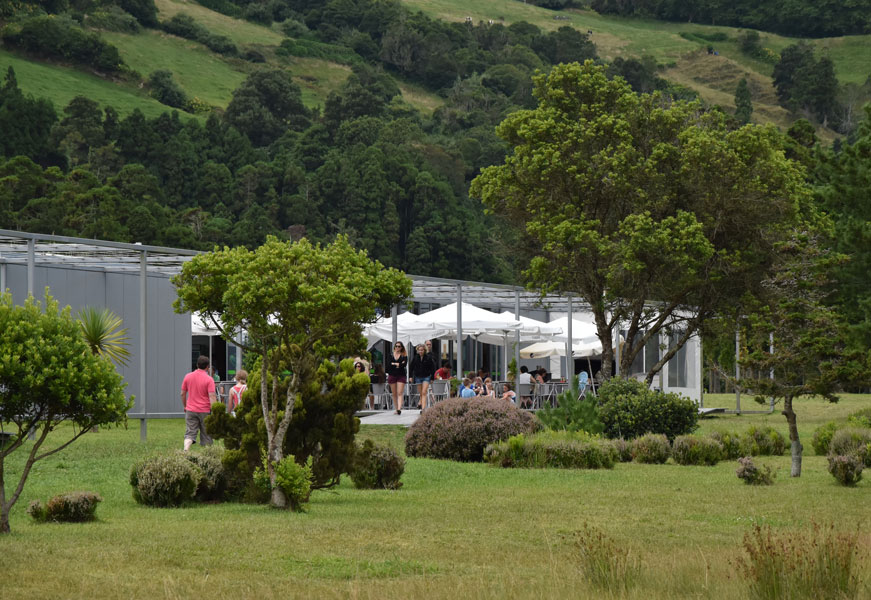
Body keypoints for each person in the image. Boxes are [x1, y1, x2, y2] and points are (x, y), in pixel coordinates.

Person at [181, 355, 217, 451]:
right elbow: (212, 396)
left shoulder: (188, 376)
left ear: (197, 364)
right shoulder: (209, 379)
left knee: (190, 433)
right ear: (207, 367)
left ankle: (186, 449)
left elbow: (182, 393)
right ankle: (207, 454)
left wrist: (185, 406)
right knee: (206, 434)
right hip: (205, 410)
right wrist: (215, 410)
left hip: (190, 409)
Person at [409, 343, 437, 411]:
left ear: (424, 350)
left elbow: (433, 368)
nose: (420, 351)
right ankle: (421, 403)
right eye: (419, 350)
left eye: (422, 350)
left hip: (426, 377)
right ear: (417, 350)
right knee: (421, 393)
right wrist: (410, 376)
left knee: (424, 392)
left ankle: (423, 409)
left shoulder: (428, 358)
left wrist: (432, 378)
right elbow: (411, 367)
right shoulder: (416, 358)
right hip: (418, 377)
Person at [387, 341, 408, 414]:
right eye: (396, 346)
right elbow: (388, 365)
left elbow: (404, 365)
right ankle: (396, 409)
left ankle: (399, 408)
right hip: (392, 375)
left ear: (401, 347)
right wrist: (398, 364)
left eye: (399, 346)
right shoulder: (390, 355)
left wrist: (394, 363)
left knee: (400, 392)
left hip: (401, 375)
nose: (397, 347)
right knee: (394, 393)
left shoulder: (404, 356)